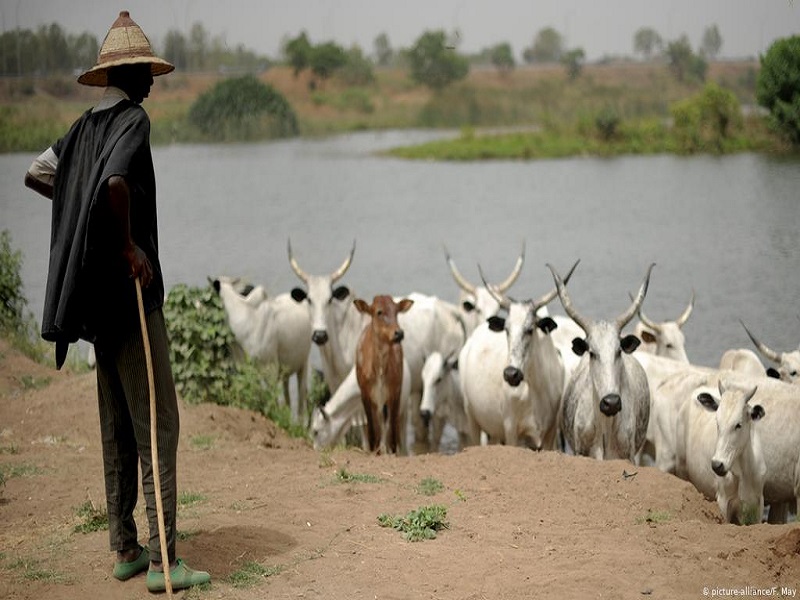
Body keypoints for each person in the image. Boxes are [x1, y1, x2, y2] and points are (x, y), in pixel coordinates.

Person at [24, 11, 210, 593]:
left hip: (93, 303)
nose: (151, 82)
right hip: (131, 298)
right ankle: (163, 561)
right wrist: (127, 246)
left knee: (117, 425)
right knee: (158, 421)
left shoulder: (80, 129)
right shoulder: (133, 120)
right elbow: (115, 184)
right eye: (145, 72)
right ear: (127, 74)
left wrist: (80, 215)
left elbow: (38, 173)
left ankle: (125, 548)